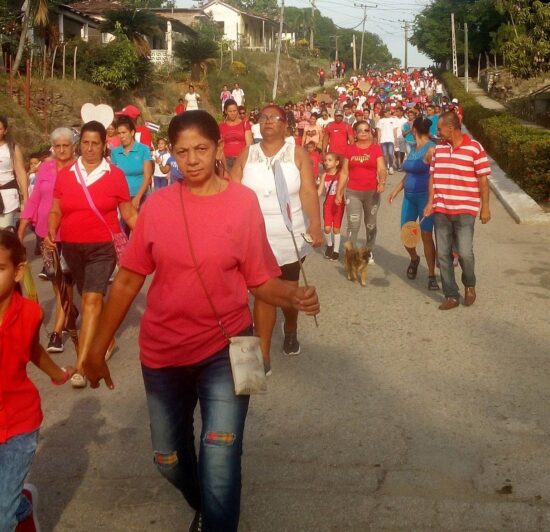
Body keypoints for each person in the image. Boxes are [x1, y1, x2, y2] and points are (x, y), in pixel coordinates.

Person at [82, 110, 320, 532]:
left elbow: (261, 280)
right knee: (168, 459)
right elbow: (126, 283)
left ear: (218, 151)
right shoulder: (157, 205)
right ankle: (207, 505)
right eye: (182, 151)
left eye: (201, 150)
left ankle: (215, 518)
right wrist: (96, 347)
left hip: (225, 351)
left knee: (221, 453)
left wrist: (293, 296)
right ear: (171, 155)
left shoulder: (242, 203)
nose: (191, 160)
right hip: (163, 353)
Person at [46, 120, 138, 387]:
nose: (89, 148)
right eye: (85, 143)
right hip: (72, 247)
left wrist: (151, 240)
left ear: (103, 145)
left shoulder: (115, 176)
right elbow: (56, 209)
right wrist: (52, 229)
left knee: (91, 300)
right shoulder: (66, 175)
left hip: (103, 247)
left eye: (94, 143)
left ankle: (82, 365)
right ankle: (107, 340)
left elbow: (129, 213)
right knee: (88, 298)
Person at [231, 104, 322, 363]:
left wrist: (315, 223)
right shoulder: (248, 153)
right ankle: (263, 354)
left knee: (290, 291)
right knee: (263, 292)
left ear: (285, 125)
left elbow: (307, 190)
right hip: (255, 235)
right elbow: (232, 187)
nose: (268, 121)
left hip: (289, 235)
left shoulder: (297, 153)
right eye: (263, 117)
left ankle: (290, 328)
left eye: (274, 118)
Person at [0, 229, 74, 532]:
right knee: (6, 498)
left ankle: (15, 508)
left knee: (1, 516)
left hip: (19, 424)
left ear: (18, 272)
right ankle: (24, 504)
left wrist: (57, 374)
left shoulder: (31, 313)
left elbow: (30, 348)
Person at [423, 111, 491, 310]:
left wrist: (485, 207)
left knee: (464, 252)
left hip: (465, 209)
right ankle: (451, 295)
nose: (438, 132)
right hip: (441, 209)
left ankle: (469, 284)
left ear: (451, 128)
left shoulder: (474, 148)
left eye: (440, 128)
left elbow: (483, 180)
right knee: (443, 254)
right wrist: (430, 202)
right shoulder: (439, 150)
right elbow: (433, 178)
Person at [18, 127, 77, 353]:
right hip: (45, 234)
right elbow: (34, 200)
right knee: (55, 280)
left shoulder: (79, 169)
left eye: (66, 145)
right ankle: (68, 309)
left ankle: (57, 332)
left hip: (70, 234)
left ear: (74, 146)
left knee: (66, 281)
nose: (62, 150)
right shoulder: (45, 168)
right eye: (58, 146)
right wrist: (22, 229)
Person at [388, 117, 439, 290]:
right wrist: (396, 190)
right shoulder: (414, 148)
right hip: (409, 197)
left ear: (413, 130)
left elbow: (436, 176)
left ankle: (431, 274)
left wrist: (433, 201)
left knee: (425, 236)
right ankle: (414, 259)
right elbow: (409, 173)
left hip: (424, 197)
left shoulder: (431, 149)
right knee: (406, 234)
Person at [336, 121, 386, 260]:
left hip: (372, 192)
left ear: (370, 131)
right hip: (353, 192)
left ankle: (368, 251)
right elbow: (344, 172)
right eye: (360, 130)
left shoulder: (376, 149)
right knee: (353, 224)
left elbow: (381, 168)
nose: (363, 133)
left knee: (370, 225)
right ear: (355, 133)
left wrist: (382, 182)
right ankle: (350, 255)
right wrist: (339, 192)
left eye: (366, 130)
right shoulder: (350, 149)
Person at [111, 115, 154, 217]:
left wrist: (138, 197)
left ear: (132, 132)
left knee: (142, 228)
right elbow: (115, 177)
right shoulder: (115, 152)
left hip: (142, 196)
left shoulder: (143, 149)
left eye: (124, 132)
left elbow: (147, 176)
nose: (121, 136)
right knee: (123, 229)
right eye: (119, 133)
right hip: (123, 199)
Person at [0, 116, 28, 228]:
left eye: (0, 129)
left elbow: (21, 172)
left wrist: (26, 197)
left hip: (7, 197)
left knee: (4, 234)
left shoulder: (12, 148)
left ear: (5, 130)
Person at [318, 152, 345, 261]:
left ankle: (336, 251)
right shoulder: (324, 175)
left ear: (337, 162)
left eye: (329, 160)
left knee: (336, 228)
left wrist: (340, 196)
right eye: (325, 160)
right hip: (328, 203)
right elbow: (320, 190)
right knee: (327, 228)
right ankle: (329, 244)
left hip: (338, 203)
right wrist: (314, 197)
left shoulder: (341, 174)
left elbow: (343, 187)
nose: (326, 162)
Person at [219, 99, 252, 172]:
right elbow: (220, 146)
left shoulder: (245, 124)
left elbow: (249, 145)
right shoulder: (221, 126)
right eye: (230, 111)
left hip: (241, 159)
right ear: (226, 111)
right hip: (226, 161)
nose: (233, 113)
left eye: (235, 111)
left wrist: (242, 160)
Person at [376, 107, 398, 175]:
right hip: (383, 140)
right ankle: (385, 167)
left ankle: (391, 167)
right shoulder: (381, 120)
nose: (386, 113)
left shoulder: (393, 120)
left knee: (391, 154)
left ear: (389, 112)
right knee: (385, 155)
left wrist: (395, 140)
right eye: (385, 112)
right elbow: (379, 131)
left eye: (387, 111)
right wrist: (378, 140)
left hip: (391, 139)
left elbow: (395, 131)